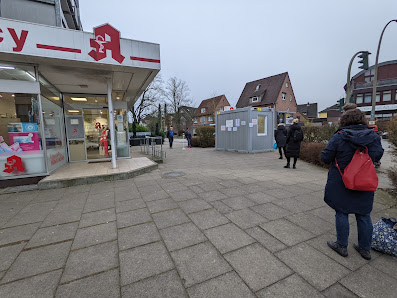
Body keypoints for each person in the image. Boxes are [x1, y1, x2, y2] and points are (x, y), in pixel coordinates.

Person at [321, 108, 384, 260]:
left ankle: (341, 246)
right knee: (363, 214)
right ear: (362, 120)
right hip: (364, 180)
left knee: (341, 212)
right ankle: (365, 249)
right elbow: (377, 155)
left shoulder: (339, 136)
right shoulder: (373, 137)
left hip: (341, 181)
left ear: (345, 120)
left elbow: (325, 157)